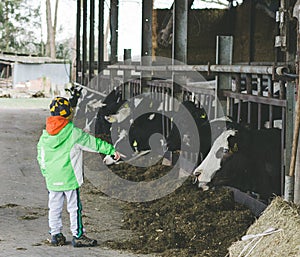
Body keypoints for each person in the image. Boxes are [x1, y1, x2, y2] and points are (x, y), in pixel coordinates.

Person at [37, 97, 120, 247]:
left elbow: (40, 157)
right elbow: (94, 144)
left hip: (52, 178)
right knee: (74, 207)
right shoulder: (74, 133)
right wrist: (112, 150)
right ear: (69, 114)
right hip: (69, 178)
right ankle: (78, 235)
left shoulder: (45, 136)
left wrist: (46, 173)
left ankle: (55, 235)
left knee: (54, 207)